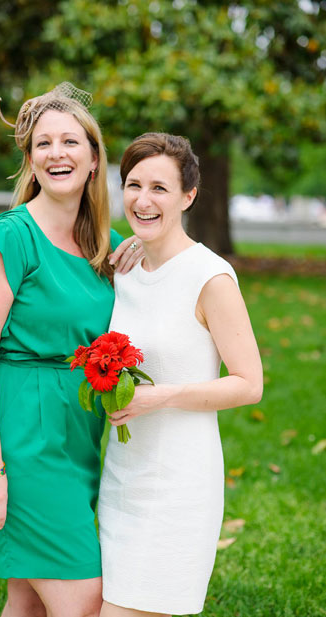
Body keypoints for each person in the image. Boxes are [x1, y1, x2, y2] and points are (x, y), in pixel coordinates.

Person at [0, 83, 141, 617]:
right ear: (30, 160)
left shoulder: (100, 245)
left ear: (92, 159)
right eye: (43, 144)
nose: (56, 153)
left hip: (75, 434)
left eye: (70, 142)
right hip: (22, 437)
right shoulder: (10, 239)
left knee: (28, 602)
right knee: (83, 601)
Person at [97, 133, 263, 617]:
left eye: (160, 188)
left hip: (176, 486)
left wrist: (160, 396)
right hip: (121, 479)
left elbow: (249, 384)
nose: (143, 200)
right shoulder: (124, 268)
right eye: (133, 185)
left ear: (188, 196)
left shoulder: (210, 277)